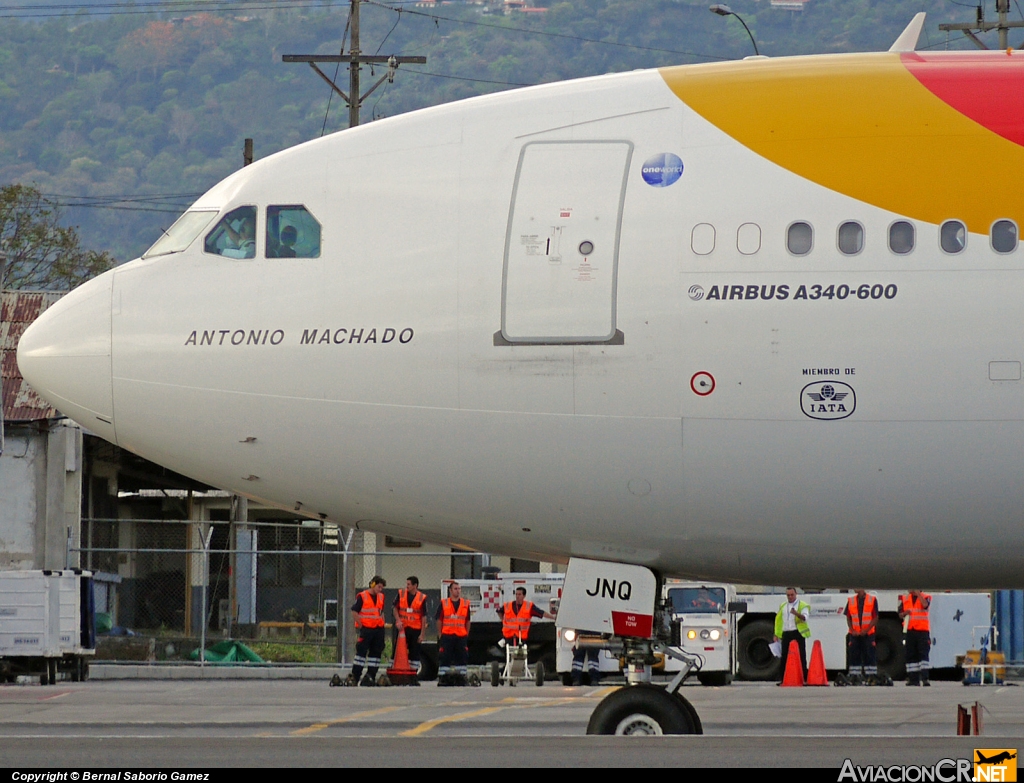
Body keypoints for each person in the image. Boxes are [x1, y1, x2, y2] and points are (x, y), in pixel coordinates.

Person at [348, 575, 386, 686]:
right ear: (373, 584)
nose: (380, 590)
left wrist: (383, 623)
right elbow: (354, 611)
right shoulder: (362, 596)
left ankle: (370, 676)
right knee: (361, 654)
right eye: (379, 587)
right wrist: (361, 625)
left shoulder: (381, 597)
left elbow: (380, 611)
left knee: (376, 654)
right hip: (367, 629)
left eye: (381, 588)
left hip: (378, 629)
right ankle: (355, 676)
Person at [436, 581, 471, 685]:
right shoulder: (444, 603)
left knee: (462, 657)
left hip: (461, 635)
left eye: (459, 589)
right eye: (455, 589)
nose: (458, 591)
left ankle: (461, 678)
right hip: (447, 635)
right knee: (445, 657)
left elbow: (468, 620)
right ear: (450, 590)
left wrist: (466, 633)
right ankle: (443, 678)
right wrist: (440, 634)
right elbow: (439, 620)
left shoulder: (465, 603)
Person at [774, 587, 811, 681]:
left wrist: (796, 613)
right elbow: (779, 621)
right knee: (784, 656)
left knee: (801, 655)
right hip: (786, 632)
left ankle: (804, 678)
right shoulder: (783, 605)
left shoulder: (802, 605)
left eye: (792, 595)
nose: (790, 597)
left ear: (796, 594)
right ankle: (783, 678)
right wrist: (776, 634)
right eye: (788, 595)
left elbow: (805, 618)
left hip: (798, 632)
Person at [393, 576, 428, 673]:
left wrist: (422, 634)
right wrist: (398, 620)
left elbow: (424, 617)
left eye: (409, 584)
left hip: (415, 629)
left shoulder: (421, 597)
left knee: (414, 653)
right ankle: (396, 671)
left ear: (415, 585)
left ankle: (413, 675)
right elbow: (395, 608)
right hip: (403, 629)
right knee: (398, 650)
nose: (406, 586)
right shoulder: (401, 594)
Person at [844, 589, 878, 684]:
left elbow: (875, 617)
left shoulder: (872, 599)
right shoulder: (851, 600)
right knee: (854, 655)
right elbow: (848, 617)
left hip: (868, 634)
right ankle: (855, 677)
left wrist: (866, 630)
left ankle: (871, 677)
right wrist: (852, 630)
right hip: (855, 634)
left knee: (869, 655)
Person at [899, 590, 932, 686]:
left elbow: (925, 605)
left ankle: (925, 678)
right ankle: (913, 679)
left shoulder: (926, 596)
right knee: (911, 655)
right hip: (910, 629)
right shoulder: (905, 598)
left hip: (922, 630)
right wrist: (905, 613)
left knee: (923, 655)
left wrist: (918, 594)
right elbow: (900, 614)